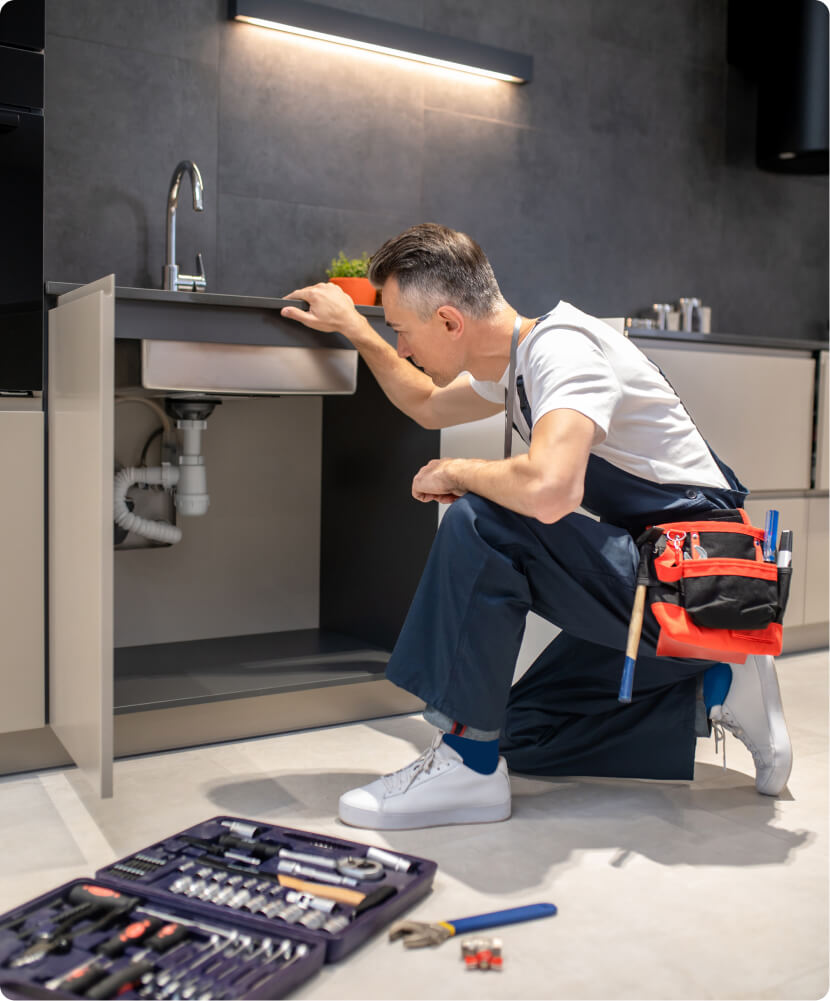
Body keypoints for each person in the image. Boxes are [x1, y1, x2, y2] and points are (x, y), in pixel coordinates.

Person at [281, 223, 792, 830]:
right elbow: (424, 401)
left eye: (403, 330)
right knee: (522, 733)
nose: (406, 345)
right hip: (654, 571)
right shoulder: (517, 365)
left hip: (700, 575)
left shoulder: (564, 350)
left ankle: (465, 767)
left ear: (449, 321)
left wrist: (459, 470)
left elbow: (551, 491)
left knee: (484, 520)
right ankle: (715, 679)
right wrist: (357, 328)